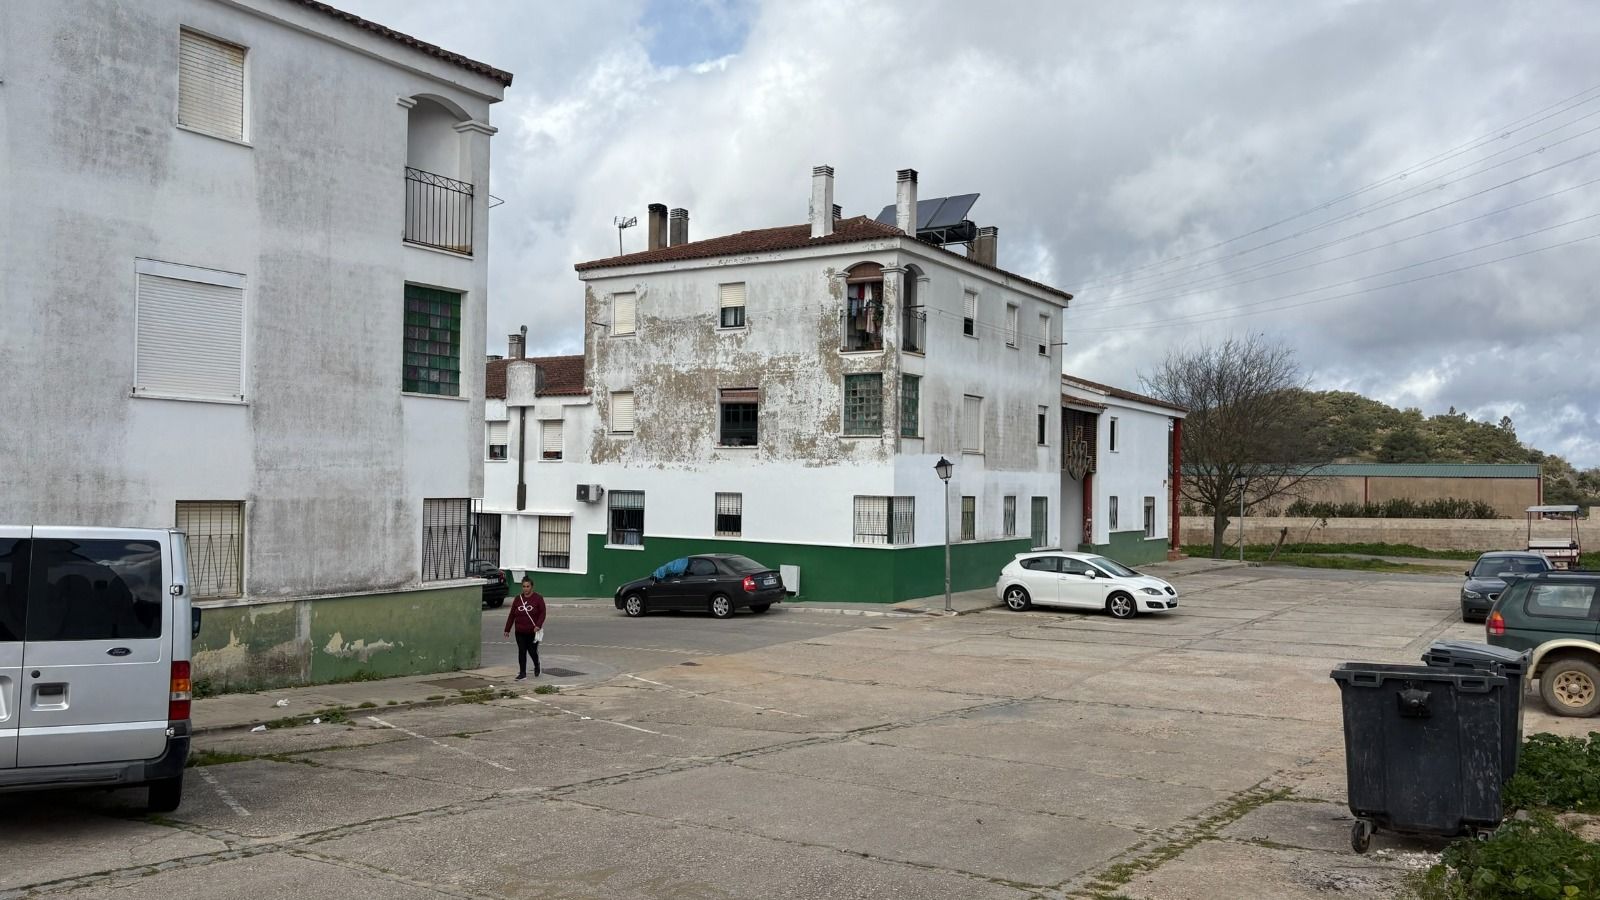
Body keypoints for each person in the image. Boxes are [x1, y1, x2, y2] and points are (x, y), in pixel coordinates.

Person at [503, 575, 547, 680]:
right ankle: (522, 673)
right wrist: (507, 629)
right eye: (524, 586)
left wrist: (538, 625)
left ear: (532, 587)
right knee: (522, 651)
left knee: (532, 651)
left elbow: (543, 613)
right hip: (520, 631)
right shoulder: (518, 599)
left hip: (532, 631)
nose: (526, 588)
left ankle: (537, 665)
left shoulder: (538, 598)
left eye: (528, 586)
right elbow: (512, 615)